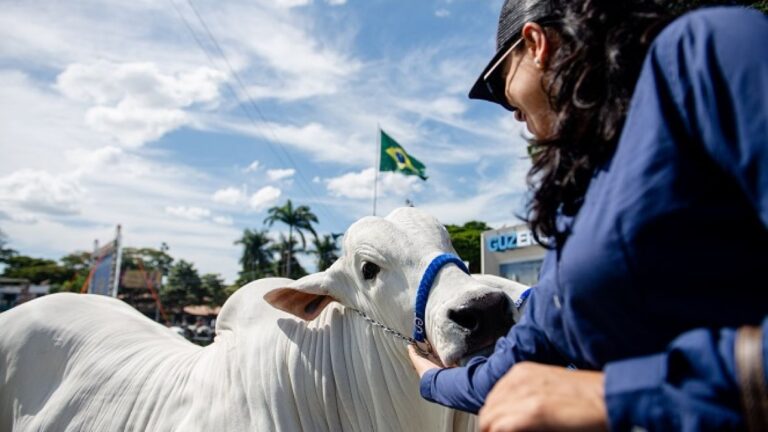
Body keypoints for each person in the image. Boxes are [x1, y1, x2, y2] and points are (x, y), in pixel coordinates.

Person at [408, 0, 768, 430]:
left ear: (535, 44)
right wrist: (431, 379)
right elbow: (508, 374)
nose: (514, 113)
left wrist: (619, 395)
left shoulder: (702, 52)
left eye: (502, 85)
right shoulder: (575, 209)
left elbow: (582, 393)